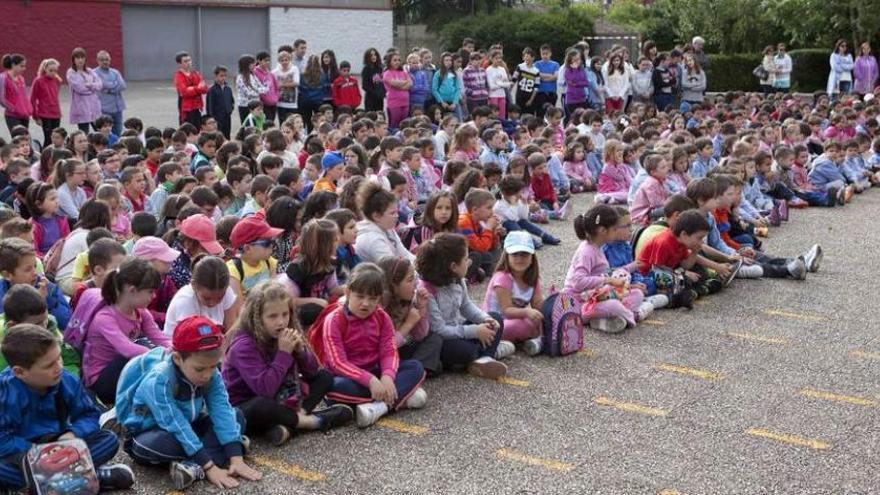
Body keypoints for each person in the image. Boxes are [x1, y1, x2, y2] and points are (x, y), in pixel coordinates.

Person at [116, 316, 263, 490]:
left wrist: (236, 457)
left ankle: (194, 465)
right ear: (178, 359)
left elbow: (221, 409)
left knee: (236, 415)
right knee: (148, 446)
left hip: (190, 424)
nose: (207, 375)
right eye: (200, 369)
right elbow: (175, 424)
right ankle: (208, 458)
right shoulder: (159, 380)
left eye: (213, 366)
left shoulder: (209, 373)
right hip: (155, 431)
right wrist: (210, 467)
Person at [0, 324, 134, 492]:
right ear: (20, 372)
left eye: (59, 358)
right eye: (49, 365)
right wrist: (36, 453)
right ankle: (86, 477)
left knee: (109, 439)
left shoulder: (66, 380)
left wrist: (73, 434)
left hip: (63, 445)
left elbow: (90, 415)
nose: (59, 366)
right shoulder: (5, 392)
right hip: (24, 454)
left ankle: (44, 485)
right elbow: (3, 440)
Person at [222, 281, 352, 445]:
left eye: (285, 314)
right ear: (256, 317)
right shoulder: (244, 346)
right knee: (260, 405)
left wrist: (301, 352)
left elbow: (312, 372)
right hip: (249, 407)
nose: (281, 322)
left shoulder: (286, 332)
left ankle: (290, 424)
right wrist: (283, 354)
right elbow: (265, 390)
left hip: (281, 398)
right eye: (273, 316)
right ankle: (312, 422)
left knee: (324, 376)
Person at [311, 263, 427, 428]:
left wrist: (387, 377)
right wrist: (371, 381)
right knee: (334, 386)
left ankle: (379, 407)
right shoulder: (335, 320)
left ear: (380, 299)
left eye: (372, 298)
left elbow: (389, 349)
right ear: (348, 292)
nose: (365, 303)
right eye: (360, 296)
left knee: (415, 367)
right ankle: (401, 396)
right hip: (350, 378)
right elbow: (338, 363)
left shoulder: (382, 317)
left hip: (376, 370)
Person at [417, 233, 509, 378]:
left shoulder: (458, 280)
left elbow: (466, 306)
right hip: (442, 340)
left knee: (495, 319)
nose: (470, 262)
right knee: (464, 351)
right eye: (466, 259)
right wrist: (474, 331)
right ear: (453, 266)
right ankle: (486, 354)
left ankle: (485, 358)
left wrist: (484, 319)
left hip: (458, 330)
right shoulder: (428, 291)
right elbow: (438, 330)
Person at [81, 257, 170, 405]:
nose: (153, 296)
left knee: (147, 350)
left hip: (122, 369)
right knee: (138, 356)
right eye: (150, 291)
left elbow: (159, 337)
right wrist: (163, 355)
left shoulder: (140, 312)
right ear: (132, 290)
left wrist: (177, 349)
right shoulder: (105, 317)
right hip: (101, 379)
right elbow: (127, 349)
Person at [564, 205, 651, 334]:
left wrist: (630, 268)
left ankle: (604, 320)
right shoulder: (587, 251)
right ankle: (633, 316)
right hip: (578, 303)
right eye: (615, 229)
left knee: (637, 293)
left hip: (598, 296)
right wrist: (607, 280)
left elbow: (608, 273)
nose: (617, 232)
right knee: (614, 306)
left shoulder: (598, 246)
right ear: (603, 230)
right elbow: (578, 282)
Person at [376, 255, 443, 376]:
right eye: (410, 279)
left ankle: (417, 370)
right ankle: (415, 371)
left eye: (415, 278)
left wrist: (421, 308)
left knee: (434, 338)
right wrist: (408, 324)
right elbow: (386, 348)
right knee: (434, 365)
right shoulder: (378, 309)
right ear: (393, 285)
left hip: (399, 349)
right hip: (384, 356)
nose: (416, 283)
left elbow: (420, 335)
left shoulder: (406, 300)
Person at [482, 231, 544, 355]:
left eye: (525, 254)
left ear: (532, 257)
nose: (520, 259)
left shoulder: (532, 278)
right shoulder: (503, 278)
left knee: (541, 320)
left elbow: (537, 304)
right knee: (526, 324)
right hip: (493, 323)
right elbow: (507, 311)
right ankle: (499, 344)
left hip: (516, 319)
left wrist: (551, 304)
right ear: (507, 256)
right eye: (515, 254)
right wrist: (527, 312)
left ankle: (535, 339)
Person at [164, 256, 238, 335]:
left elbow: (231, 328)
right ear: (193, 285)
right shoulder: (185, 301)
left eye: (220, 298)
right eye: (207, 298)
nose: (212, 303)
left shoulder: (227, 292)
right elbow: (192, 337)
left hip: (213, 341)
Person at [355, 182, 415, 264]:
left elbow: (405, 254)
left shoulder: (387, 228)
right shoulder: (372, 240)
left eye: (397, 212)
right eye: (392, 213)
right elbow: (393, 268)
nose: (397, 216)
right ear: (376, 216)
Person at [67, 47, 103, 132]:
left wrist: (90, 85)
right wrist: (93, 88)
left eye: (82, 57)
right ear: (73, 60)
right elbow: (80, 88)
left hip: (93, 106)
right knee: (84, 133)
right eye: (77, 58)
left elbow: (100, 85)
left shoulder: (90, 71)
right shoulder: (71, 72)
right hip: (81, 107)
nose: (80, 60)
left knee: (99, 131)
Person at [30, 58, 63, 145]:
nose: (53, 73)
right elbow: (32, 99)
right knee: (48, 138)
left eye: (55, 71)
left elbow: (54, 97)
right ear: (45, 69)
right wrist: (35, 116)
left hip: (56, 114)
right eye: (51, 70)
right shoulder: (38, 81)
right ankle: (45, 156)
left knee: (56, 139)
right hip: (44, 114)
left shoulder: (57, 81)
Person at [94, 51, 126, 136]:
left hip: (118, 108)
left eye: (107, 59)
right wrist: (115, 85)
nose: (105, 62)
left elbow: (122, 85)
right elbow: (102, 85)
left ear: (110, 60)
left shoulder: (115, 72)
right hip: (104, 109)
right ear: (97, 60)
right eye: (102, 60)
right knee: (105, 135)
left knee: (118, 133)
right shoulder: (94, 73)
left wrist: (109, 89)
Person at [173, 51, 208, 127]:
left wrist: (192, 89)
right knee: (187, 129)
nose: (188, 63)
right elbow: (184, 92)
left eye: (189, 60)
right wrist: (198, 88)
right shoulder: (178, 76)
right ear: (179, 64)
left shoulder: (196, 73)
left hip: (197, 107)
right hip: (186, 108)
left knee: (198, 128)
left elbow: (205, 89)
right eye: (185, 61)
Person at [0, 53, 32, 133]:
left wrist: (28, 108)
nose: (24, 68)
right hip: (12, 116)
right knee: (18, 140)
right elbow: (1, 98)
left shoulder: (21, 78)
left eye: (24, 66)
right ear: (13, 65)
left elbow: (24, 97)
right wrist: (13, 109)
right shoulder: (3, 78)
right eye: (21, 66)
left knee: (25, 139)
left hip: (24, 115)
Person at [382, 52, 411, 130]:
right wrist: (405, 82)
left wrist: (400, 85)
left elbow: (410, 84)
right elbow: (394, 83)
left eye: (399, 60)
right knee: (394, 125)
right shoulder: (387, 73)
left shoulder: (403, 72)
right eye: (394, 60)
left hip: (405, 102)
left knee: (404, 125)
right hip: (394, 103)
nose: (397, 62)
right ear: (389, 62)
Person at [206, 65, 235, 139]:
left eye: (225, 75)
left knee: (227, 134)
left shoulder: (228, 89)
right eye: (221, 75)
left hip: (227, 116)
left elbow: (231, 101)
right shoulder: (212, 90)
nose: (223, 78)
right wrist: (212, 119)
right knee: (218, 136)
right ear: (216, 76)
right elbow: (210, 106)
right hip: (217, 118)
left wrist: (230, 109)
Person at [361, 48, 385, 113]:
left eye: (375, 55)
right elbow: (364, 86)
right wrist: (375, 93)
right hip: (370, 99)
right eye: (371, 55)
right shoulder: (366, 69)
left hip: (380, 99)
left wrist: (383, 93)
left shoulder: (380, 68)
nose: (373, 57)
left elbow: (383, 82)